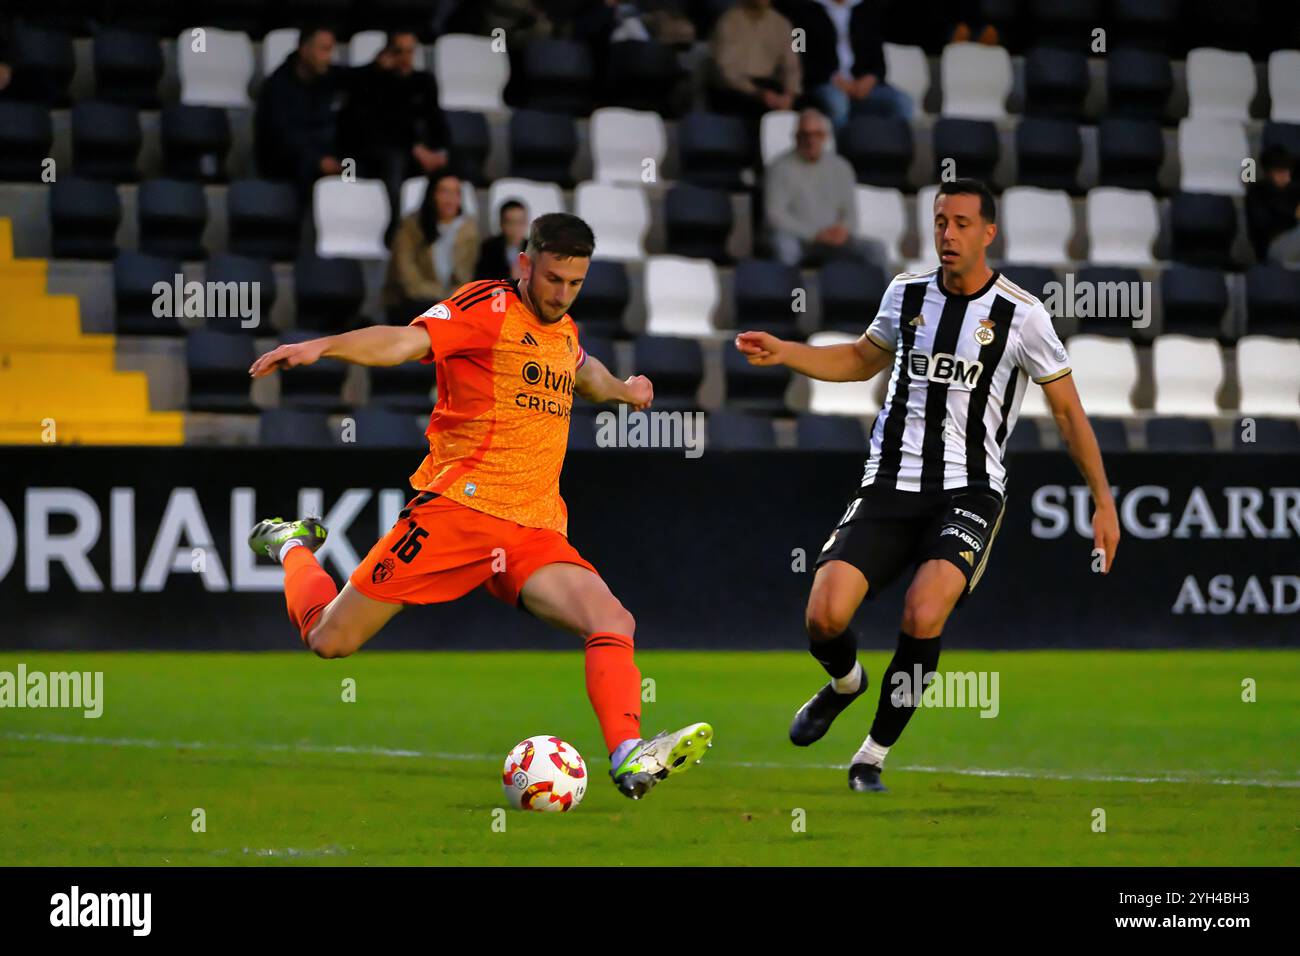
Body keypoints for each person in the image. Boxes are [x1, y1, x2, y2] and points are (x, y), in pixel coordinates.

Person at [246, 213, 713, 799]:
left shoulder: (564, 330)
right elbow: (403, 340)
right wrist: (324, 346)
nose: (561, 293)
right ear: (525, 263)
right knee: (329, 639)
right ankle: (290, 544)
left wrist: (624, 390)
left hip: (534, 528)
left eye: (574, 283)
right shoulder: (484, 308)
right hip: (455, 514)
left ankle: (628, 757)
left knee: (613, 621)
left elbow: (580, 371)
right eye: (551, 279)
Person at [735, 178, 1120, 793]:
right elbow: (863, 358)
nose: (948, 233)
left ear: (988, 233)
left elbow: (1069, 414)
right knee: (824, 616)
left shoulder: (1021, 315)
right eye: (941, 220)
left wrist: (1104, 501)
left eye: (963, 223)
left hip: (969, 490)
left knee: (922, 610)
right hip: (890, 483)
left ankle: (871, 757)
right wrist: (789, 352)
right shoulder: (906, 292)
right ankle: (845, 684)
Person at [337, 29, 451, 242]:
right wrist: (377, 71)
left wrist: (440, 151)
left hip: (420, 151)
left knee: (454, 167)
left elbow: (436, 119)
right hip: (381, 151)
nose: (405, 58)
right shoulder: (376, 81)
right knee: (395, 161)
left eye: (410, 51)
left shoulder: (424, 81)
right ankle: (395, 230)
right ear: (388, 52)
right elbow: (378, 124)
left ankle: (439, 230)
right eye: (399, 51)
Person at [764, 109, 878, 267]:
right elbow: (775, 216)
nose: (811, 140)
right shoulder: (779, 167)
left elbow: (850, 212)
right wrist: (814, 234)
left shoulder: (841, 167)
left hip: (834, 239)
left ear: (825, 137)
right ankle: (793, 291)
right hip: (799, 239)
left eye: (816, 134)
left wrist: (843, 230)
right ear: (796, 137)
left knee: (876, 250)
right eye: (805, 135)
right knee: (785, 247)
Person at [782, 0, 912, 129]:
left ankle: (894, 147)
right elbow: (798, 54)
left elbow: (877, 58)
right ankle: (841, 147)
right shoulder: (802, 10)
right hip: (824, 83)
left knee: (902, 102)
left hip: (863, 85)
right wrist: (832, 79)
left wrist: (871, 78)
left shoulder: (866, 10)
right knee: (837, 103)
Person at [254, 23, 347, 196]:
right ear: (305, 50)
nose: (329, 57)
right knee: (308, 170)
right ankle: (307, 221)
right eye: (324, 50)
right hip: (287, 164)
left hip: (327, 158)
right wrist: (318, 161)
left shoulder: (328, 76)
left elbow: (358, 79)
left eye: (331, 50)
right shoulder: (278, 86)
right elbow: (282, 137)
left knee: (357, 165)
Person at [382, 171, 479, 325]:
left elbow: (466, 276)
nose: (450, 199)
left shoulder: (467, 231)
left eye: (456, 193)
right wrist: (442, 295)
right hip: (413, 302)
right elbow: (408, 279)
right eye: (444, 192)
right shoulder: (410, 227)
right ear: (432, 195)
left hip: (450, 303)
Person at [709, 0, 802, 119]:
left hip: (769, 86)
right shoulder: (728, 22)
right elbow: (726, 71)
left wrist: (789, 95)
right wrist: (758, 93)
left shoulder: (781, 24)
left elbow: (792, 66)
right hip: (735, 89)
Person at [1245, 145, 1300, 265]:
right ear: (1269, 172)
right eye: (1280, 172)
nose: (1285, 176)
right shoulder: (1258, 192)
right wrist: (1293, 212)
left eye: (1287, 171)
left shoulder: (1294, 188)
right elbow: (1263, 225)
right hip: (1273, 245)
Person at [476, 200, 529, 281]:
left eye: (520, 222)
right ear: (501, 224)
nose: (516, 228)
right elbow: (482, 279)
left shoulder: (533, 248)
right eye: (511, 222)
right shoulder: (489, 248)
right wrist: (508, 274)